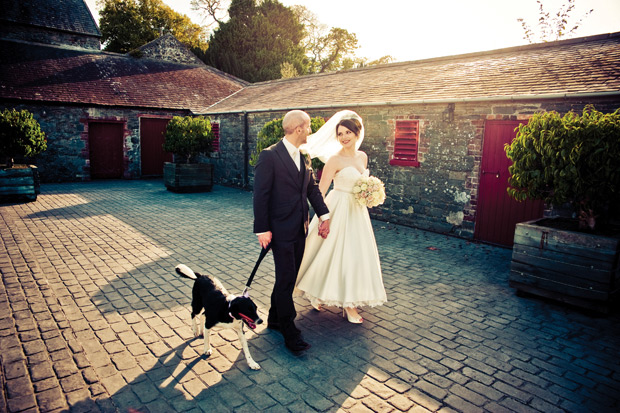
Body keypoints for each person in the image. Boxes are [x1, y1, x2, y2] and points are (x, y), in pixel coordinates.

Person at [295, 110, 387, 323]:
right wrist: (322, 218)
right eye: (340, 133)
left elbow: (361, 182)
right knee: (331, 254)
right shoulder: (334, 160)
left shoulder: (362, 156)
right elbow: (321, 189)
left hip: (357, 212)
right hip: (337, 209)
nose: (344, 137)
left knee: (356, 256)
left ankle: (341, 299)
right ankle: (347, 305)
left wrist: (370, 194)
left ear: (357, 133)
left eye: (348, 132)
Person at [253, 110, 331, 353]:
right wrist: (262, 229)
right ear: (299, 129)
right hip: (278, 229)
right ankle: (289, 331)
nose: (310, 131)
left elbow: (312, 189)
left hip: (300, 228)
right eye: (308, 127)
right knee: (287, 278)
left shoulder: (302, 156)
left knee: (287, 277)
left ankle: (275, 319)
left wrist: (324, 214)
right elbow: (260, 194)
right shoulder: (270, 156)